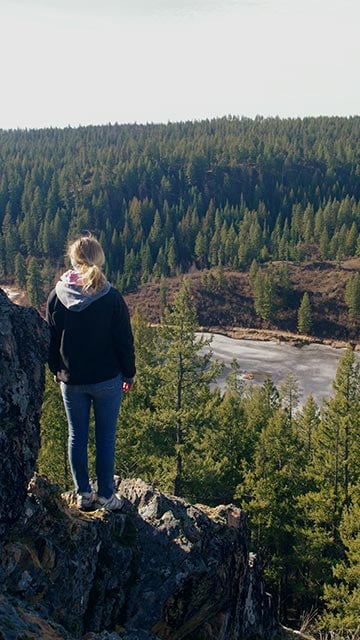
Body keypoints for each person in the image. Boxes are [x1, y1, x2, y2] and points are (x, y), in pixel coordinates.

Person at [46, 234, 136, 511]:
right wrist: (128, 374)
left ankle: (83, 493)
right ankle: (107, 496)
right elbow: (124, 341)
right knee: (106, 438)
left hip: (71, 380)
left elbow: (50, 338)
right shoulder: (111, 297)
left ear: (73, 260)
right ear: (100, 260)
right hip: (108, 380)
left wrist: (55, 369)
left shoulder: (57, 296)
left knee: (77, 436)